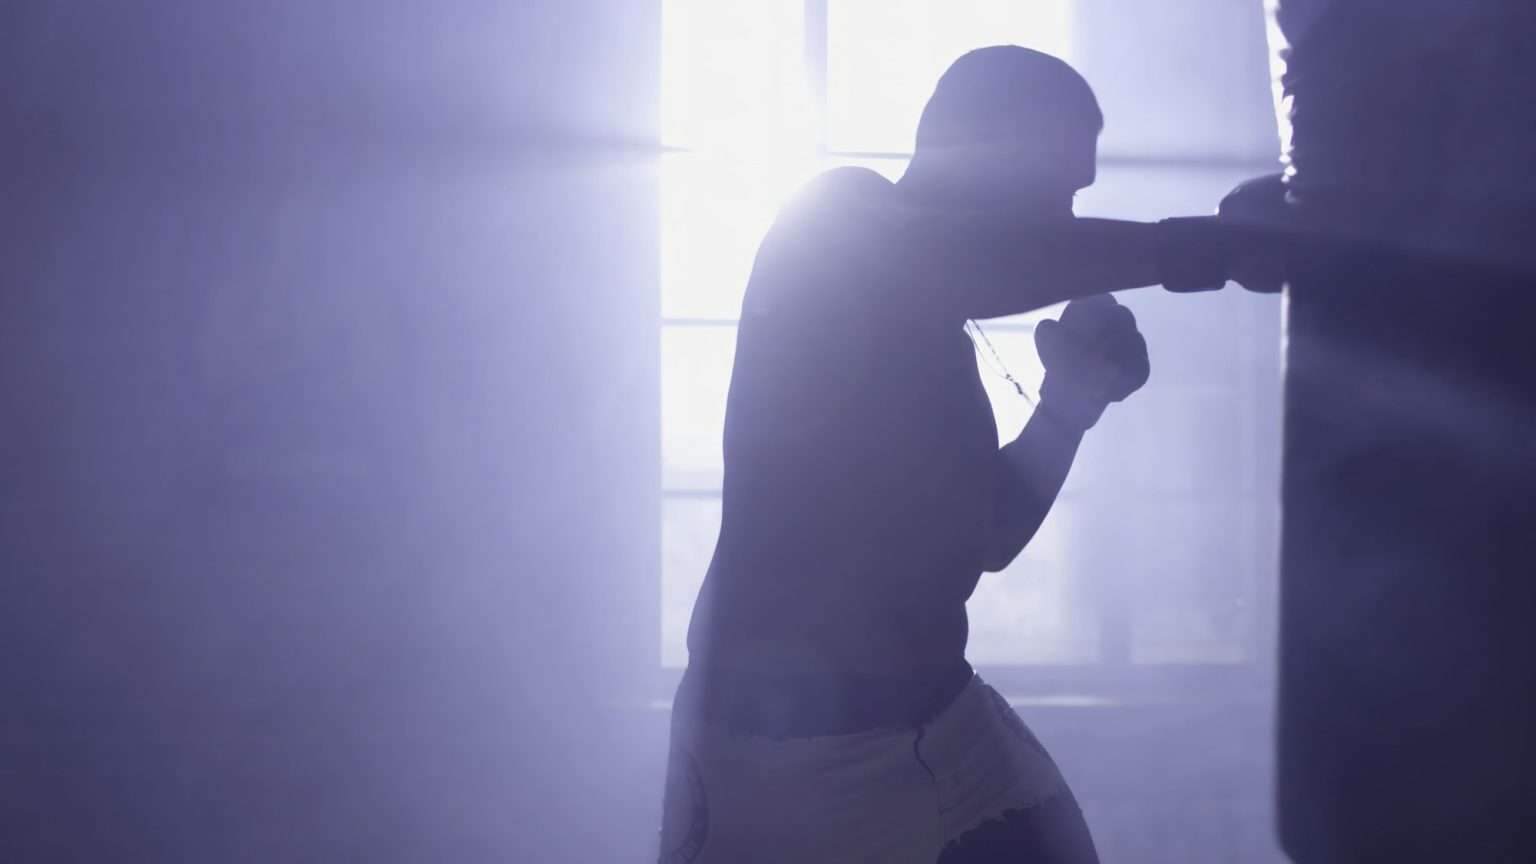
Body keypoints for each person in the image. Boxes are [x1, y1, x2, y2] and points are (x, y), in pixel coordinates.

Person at [659, 46, 1235, 864]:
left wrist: (1070, 403)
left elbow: (985, 540)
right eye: (1061, 191)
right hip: (790, 748)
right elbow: (956, 262)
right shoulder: (836, 218)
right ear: (984, 151)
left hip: (933, 714)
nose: (1068, 224)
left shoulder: (926, 320)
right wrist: (1208, 251)